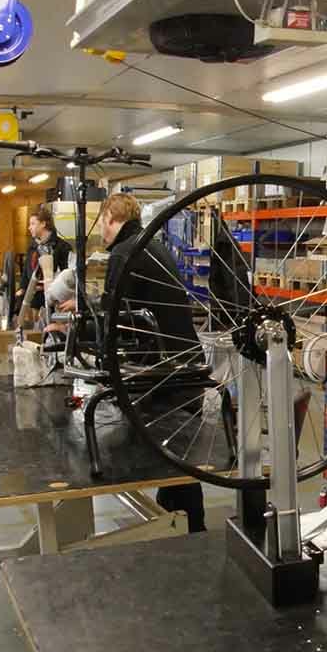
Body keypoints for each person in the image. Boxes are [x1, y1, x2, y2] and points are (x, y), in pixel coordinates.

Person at [96, 192, 207, 532]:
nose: (100, 230)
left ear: (110, 219)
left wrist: (86, 332)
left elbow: (113, 318)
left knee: (174, 461)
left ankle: (192, 533)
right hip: (185, 364)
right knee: (176, 462)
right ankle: (177, 526)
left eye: (101, 222)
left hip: (163, 374)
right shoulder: (152, 245)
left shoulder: (123, 253)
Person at [23, 204, 71, 321]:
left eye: (33, 224)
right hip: (34, 300)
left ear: (43, 224)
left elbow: (67, 276)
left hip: (55, 302)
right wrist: (22, 288)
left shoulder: (62, 247)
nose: (29, 227)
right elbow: (26, 270)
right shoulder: (33, 246)